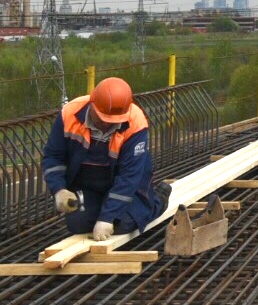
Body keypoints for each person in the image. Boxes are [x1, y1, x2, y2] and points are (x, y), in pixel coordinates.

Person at [42, 76, 169, 241]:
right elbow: (53, 156)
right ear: (92, 104)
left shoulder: (135, 122)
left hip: (127, 186)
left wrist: (107, 218)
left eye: (113, 120)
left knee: (121, 225)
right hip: (87, 184)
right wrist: (59, 189)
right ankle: (103, 208)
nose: (107, 124)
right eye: (103, 118)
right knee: (77, 224)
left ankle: (158, 200)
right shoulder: (70, 114)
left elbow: (129, 176)